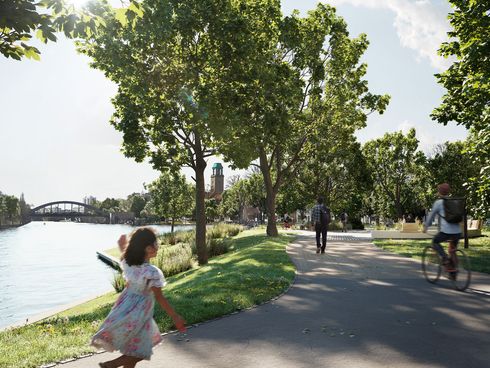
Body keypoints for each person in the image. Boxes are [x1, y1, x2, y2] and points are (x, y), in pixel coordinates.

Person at [92, 228, 186, 368]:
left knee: (134, 348)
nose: (158, 246)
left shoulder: (129, 264)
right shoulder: (151, 272)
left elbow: (124, 253)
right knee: (140, 351)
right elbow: (160, 297)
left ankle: (112, 365)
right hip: (140, 315)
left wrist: (123, 245)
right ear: (148, 248)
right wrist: (175, 317)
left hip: (124, 311)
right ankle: (111, 365)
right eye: (156, 243)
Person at [423, 183, 462, 279]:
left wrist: (426, 227)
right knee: (452, 250)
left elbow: (431, 216)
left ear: (439, 192)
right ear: (448, 191)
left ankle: (445, 259)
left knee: (435, 241)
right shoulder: (454, 201)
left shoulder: (438, 202)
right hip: (457, 232)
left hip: (446, 231)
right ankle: (453, 272)